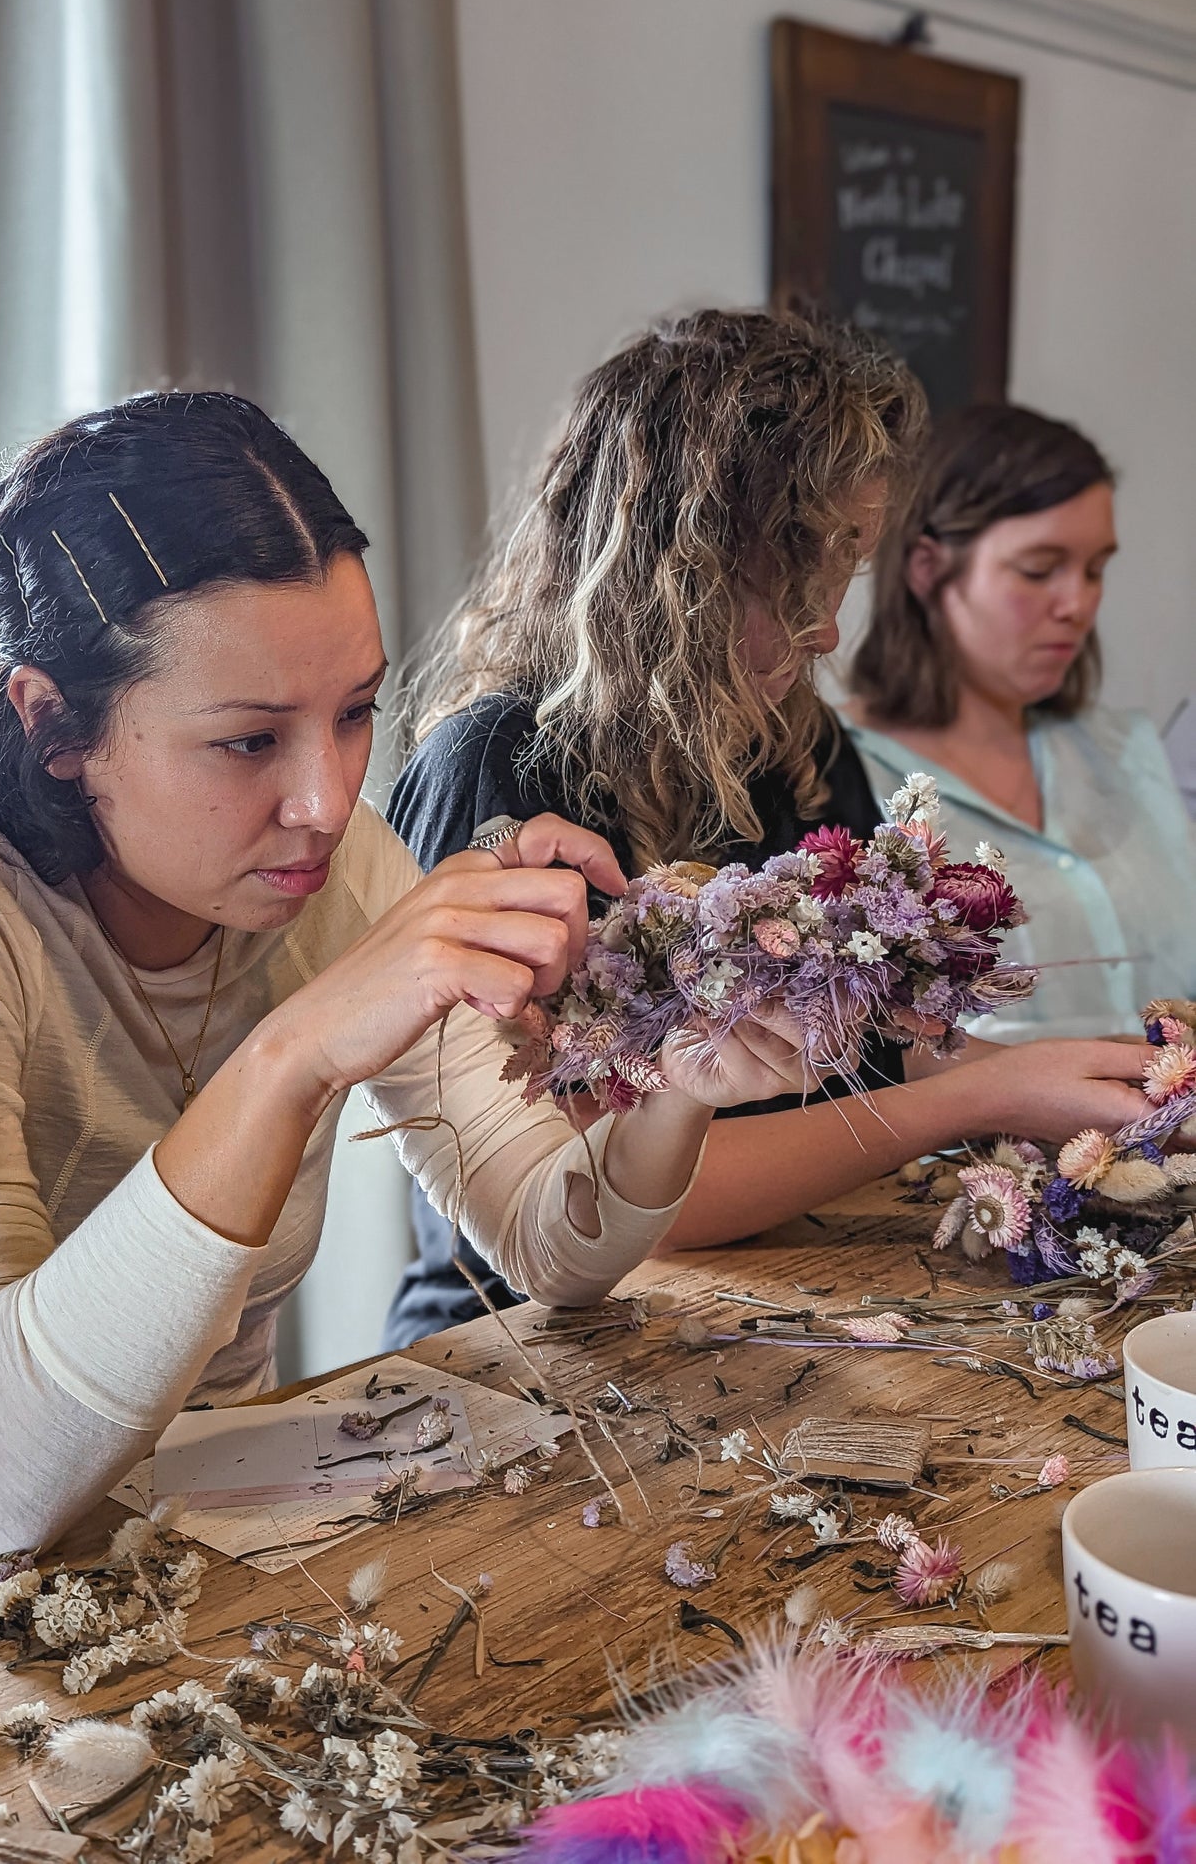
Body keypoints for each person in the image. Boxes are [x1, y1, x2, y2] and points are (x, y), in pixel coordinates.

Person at [0, 391, 826, 1571]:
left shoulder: (331, 862)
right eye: (249, 740)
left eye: (356, 712)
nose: (324, 802)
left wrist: (671, 1076)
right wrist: (296, 1047)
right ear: (56, 724)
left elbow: (550, 1246)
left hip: (212, 1556)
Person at [383, 313, 1156, 1345]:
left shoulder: (794, 743)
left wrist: (1067, 1072)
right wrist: (983, 1093)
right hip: (524, 1337)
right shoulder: (498, 768)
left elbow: (876, 1055)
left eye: (846, 561)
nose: (829, 624)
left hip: (777, 1288)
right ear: (677, 567)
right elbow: (640, 1211)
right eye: (793, 568)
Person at [846, 401, 1196, 1041]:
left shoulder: (1127, 750)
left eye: (1096, 570)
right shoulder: (843, 772)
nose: (1078, 604)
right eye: (1039, 570)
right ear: (929, 570)